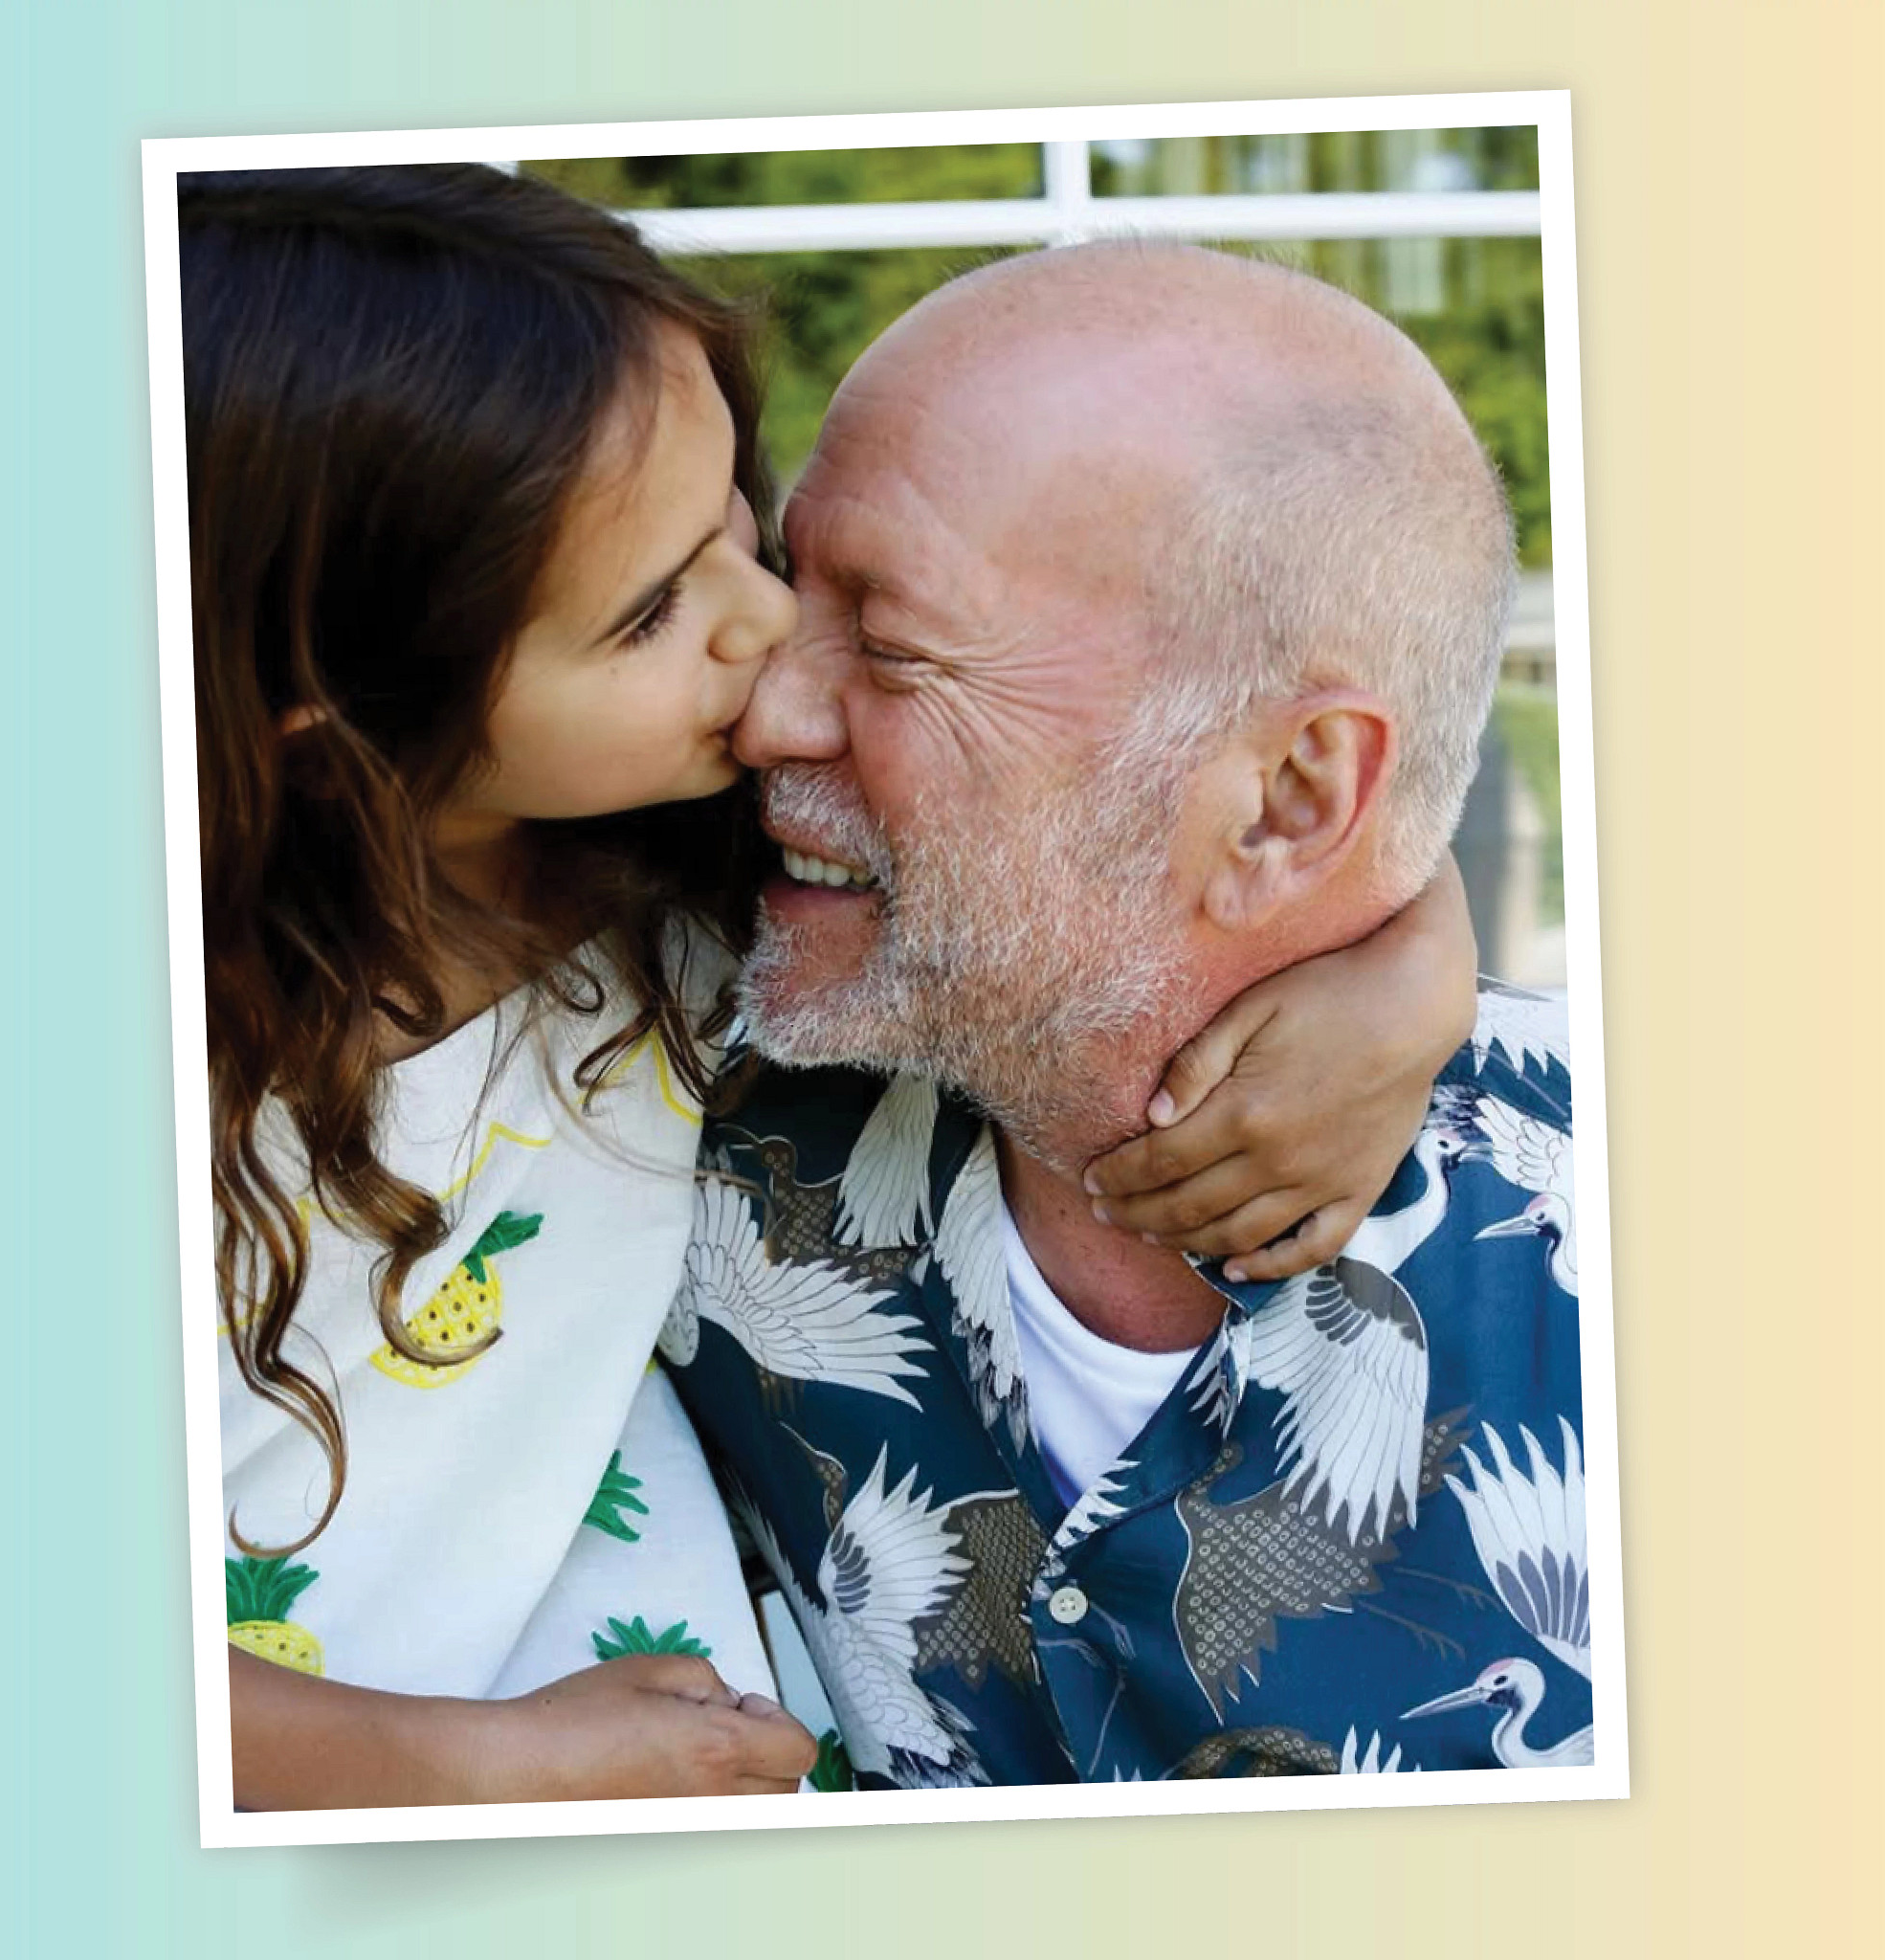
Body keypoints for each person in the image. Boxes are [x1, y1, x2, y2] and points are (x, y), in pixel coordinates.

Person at [190, 167, 1478, 1810]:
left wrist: (1407, 984)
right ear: (346, 740)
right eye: (657, 609)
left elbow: (1226, 809)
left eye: (743, 523)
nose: (775, 641)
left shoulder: (661, 874)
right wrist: (482, 1773)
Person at [664, 241, 1590, 1786]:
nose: (762, 710)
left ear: (1291, 798)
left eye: (889, 648)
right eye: (783, 587)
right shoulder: (645, 1108)